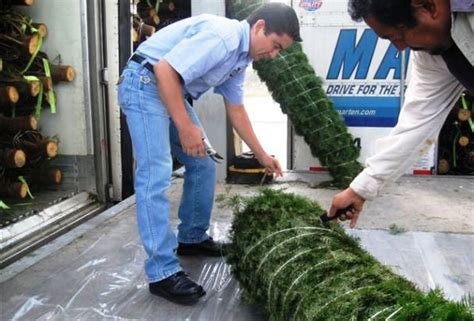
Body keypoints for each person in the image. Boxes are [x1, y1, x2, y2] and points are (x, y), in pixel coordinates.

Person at [117, 3, 301, 305]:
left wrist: (262, 155)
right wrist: (185, 125)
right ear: (259, 27)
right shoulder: (224, 36)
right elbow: (165, 69)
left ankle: (191, 237)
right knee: (156, 174)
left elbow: (237, 110)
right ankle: (161, 272)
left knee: (202, 164)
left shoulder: (241, 59)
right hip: (145, 82)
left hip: (168, 87)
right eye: (275, 45)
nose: (274, 54)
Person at [329, 0, 473, 227]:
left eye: (398, 35)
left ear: (429, 7)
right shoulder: (431, 51)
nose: (399, 47)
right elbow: (417, 122)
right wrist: (360, 189)